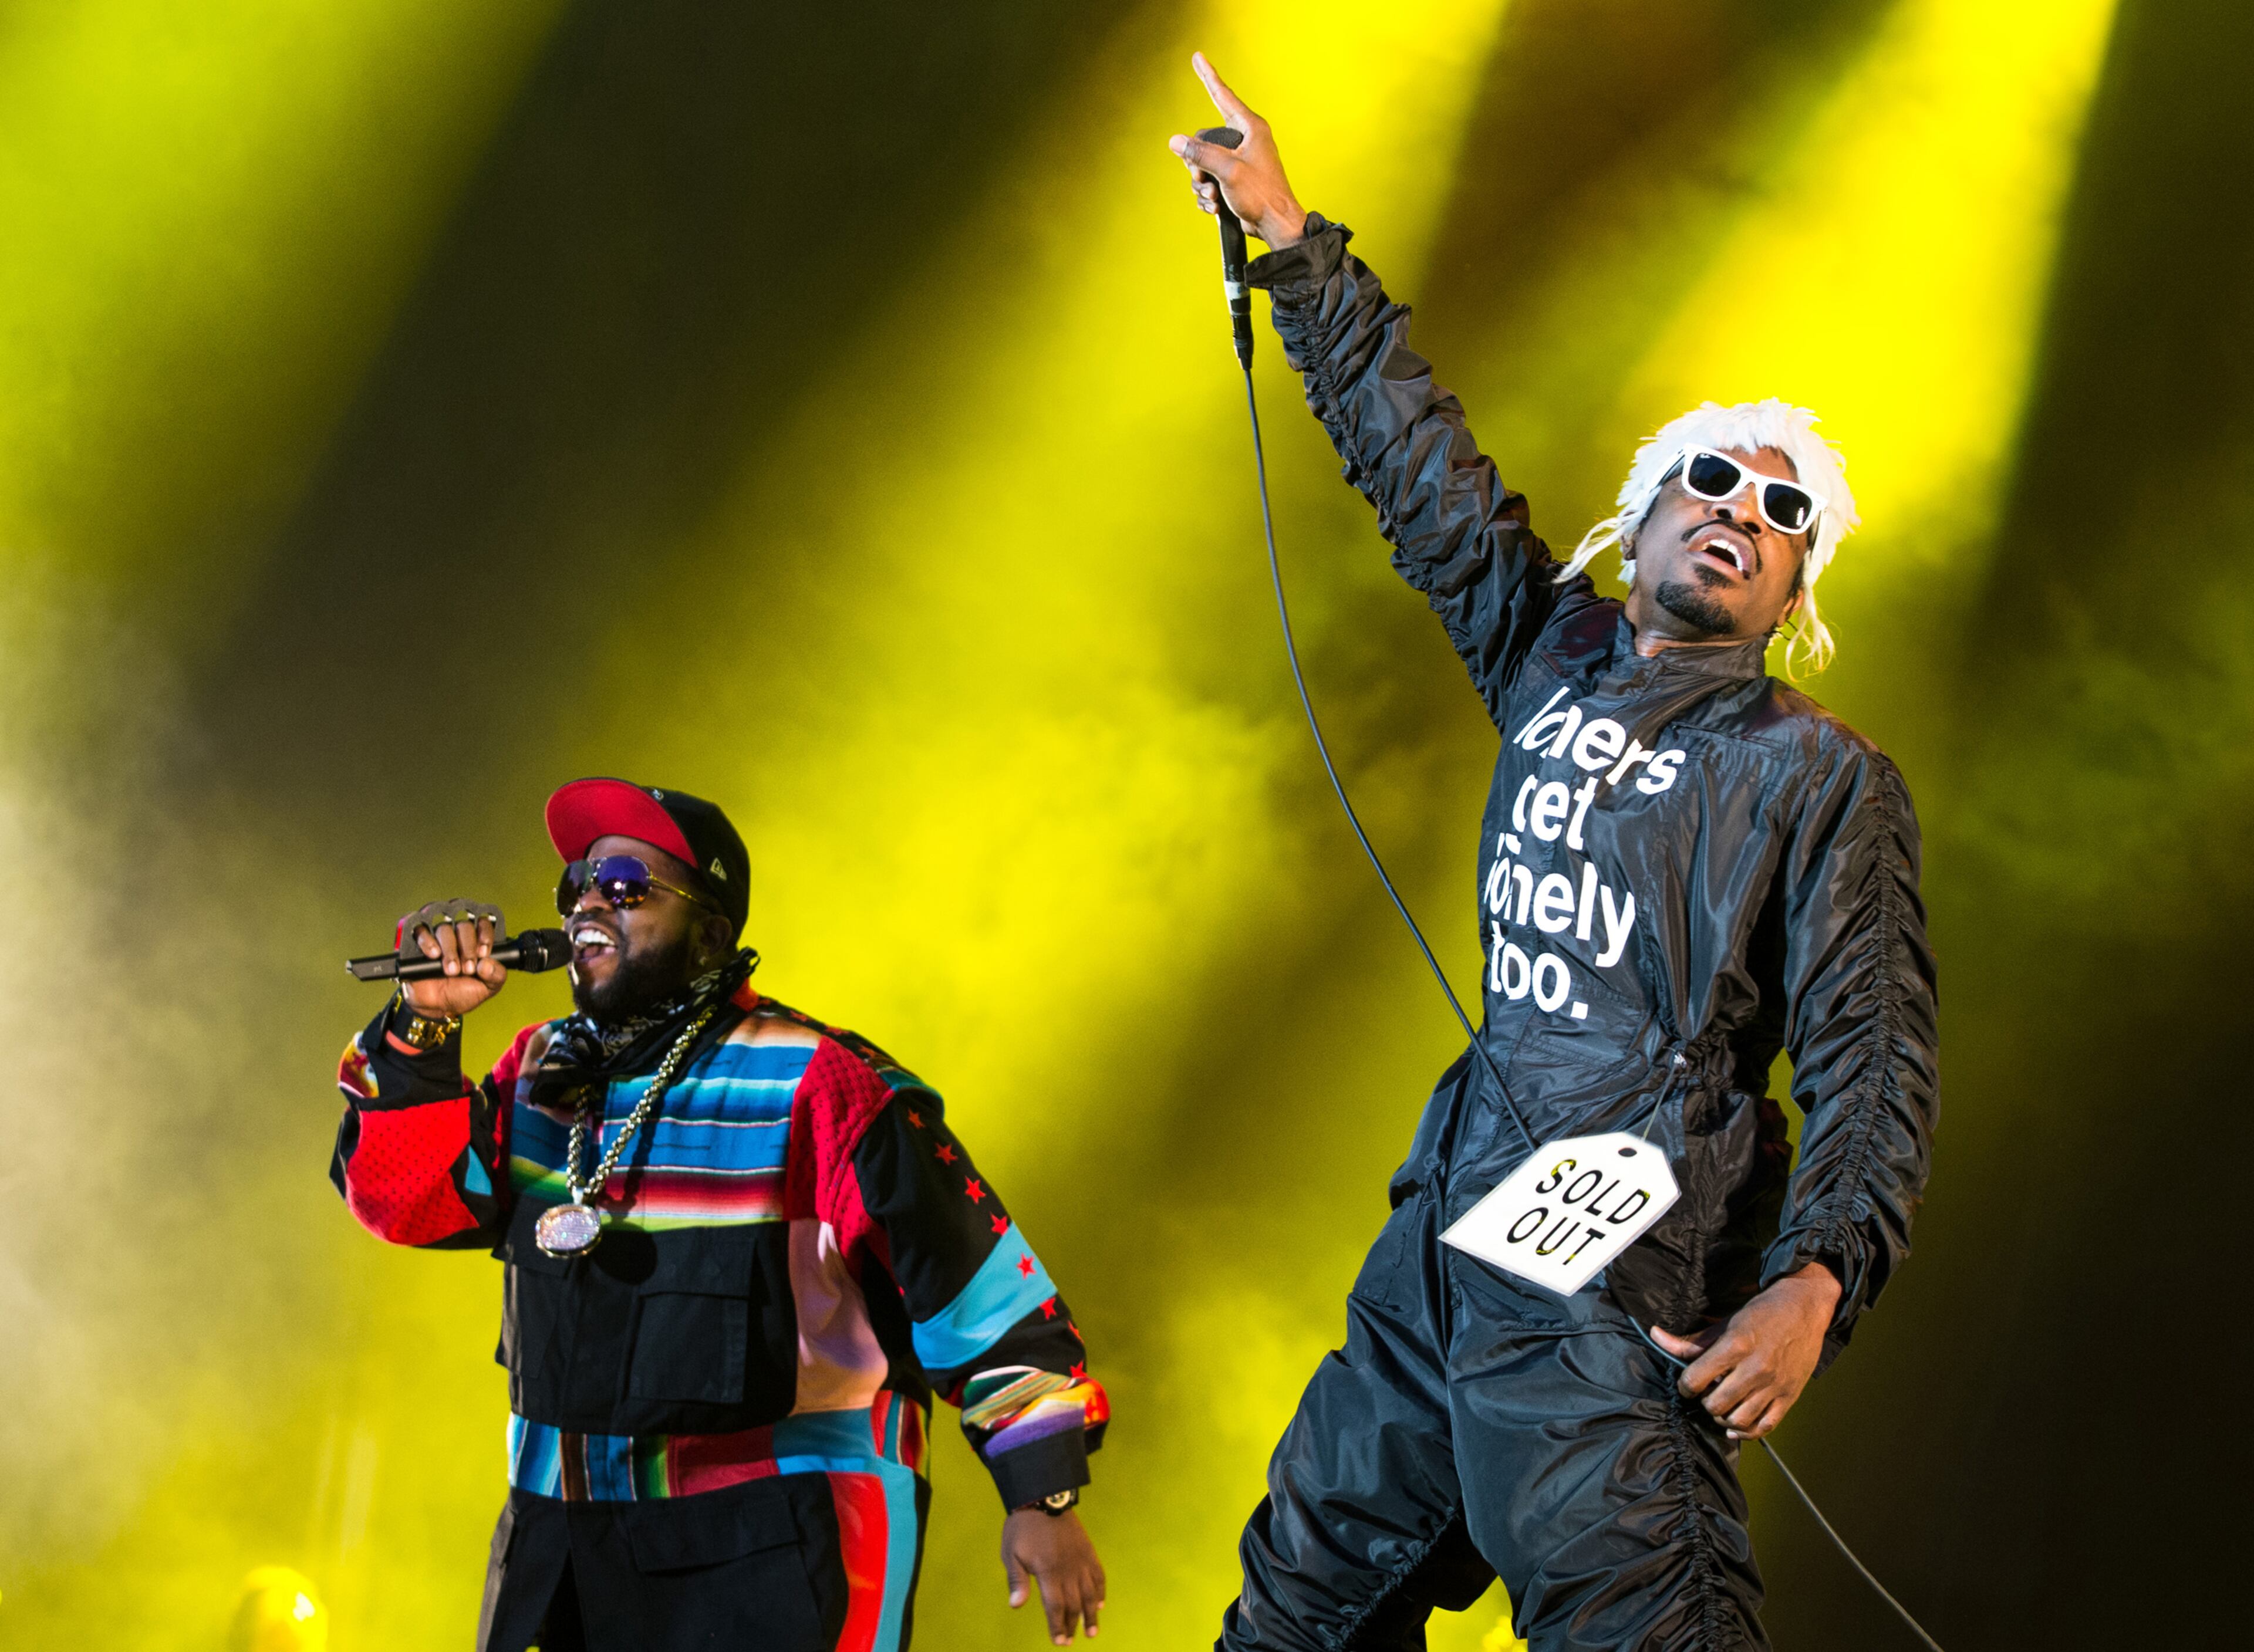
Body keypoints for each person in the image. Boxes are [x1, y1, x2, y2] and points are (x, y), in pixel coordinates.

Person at [1168, 55, 1938, 1652]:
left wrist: (1815, 1282)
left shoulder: (1817, 775)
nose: (1742, 511)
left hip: (1622, 1270)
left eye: (1783, 515)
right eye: (1710, 483)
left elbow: (1875, 1056)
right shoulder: (1549, 653)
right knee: (1298, 1607)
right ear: (1638, 525)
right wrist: (1294, 243)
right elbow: (1420, 473)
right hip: (1443, 1249)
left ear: (1796, 596)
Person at [330, 778, 1109, 1651]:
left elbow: (980, 1290)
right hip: (561, 1548)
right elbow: (408, 1200)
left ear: (710, 925)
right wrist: (419, 1031)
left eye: (626, 886)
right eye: (578, 885)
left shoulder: (818, 1083)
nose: (590, 901)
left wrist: (1043, 1497)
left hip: (767, 1548)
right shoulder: (540, 1070)